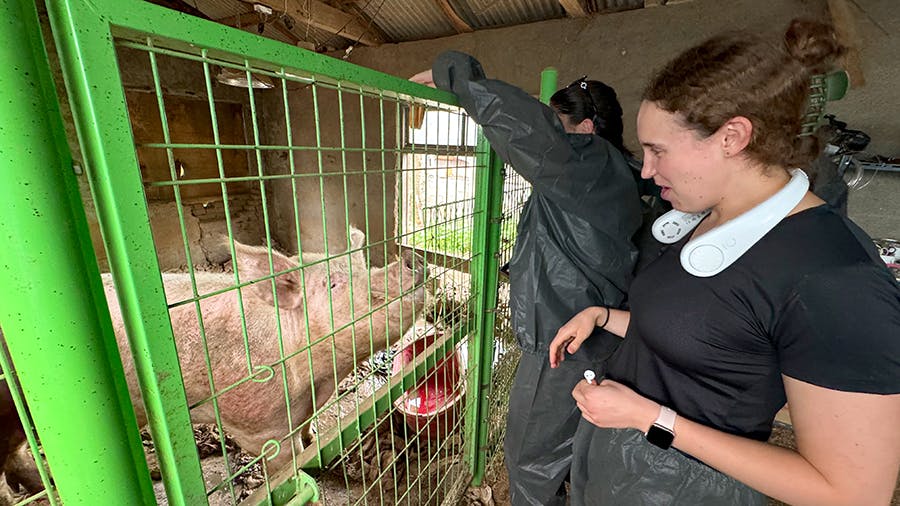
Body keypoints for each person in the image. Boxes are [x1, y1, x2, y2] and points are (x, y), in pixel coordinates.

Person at [549, 19, 900, 505]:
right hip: (620, 463)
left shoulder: (835, 279)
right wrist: (604, 316)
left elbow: (852, 494)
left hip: (687, 488)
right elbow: (711, 341)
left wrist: (652, 419)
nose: (647, 171)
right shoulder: (709, 216)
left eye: (657, 151)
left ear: (732, 136)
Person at [410, 52, 643, 505]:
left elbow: (529, 133)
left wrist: (459, 79)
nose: (553, 139)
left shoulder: (590, 165)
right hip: (591, 333)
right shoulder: (618, 174)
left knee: (528, 461)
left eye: (560, 128)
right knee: (573, 453)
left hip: (563, 344)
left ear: (587, 129)